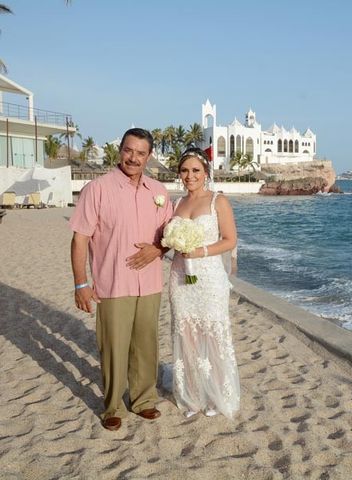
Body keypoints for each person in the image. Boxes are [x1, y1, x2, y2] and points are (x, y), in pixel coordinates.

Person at [70, 128, 173, 431]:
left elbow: (170, 235)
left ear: (149, 157)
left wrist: (158, 249)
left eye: (141, 153)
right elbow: (79, 240)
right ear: (120, 151)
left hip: (150, 283)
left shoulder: (159, 191)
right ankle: (113, 405)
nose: (134, 158)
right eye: (129, 151)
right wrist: (81, 284)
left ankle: (143, 400)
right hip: (113, 283)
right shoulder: (98, 189)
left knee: (146, 345)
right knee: (113, 347)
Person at [168, 147, 240, 418]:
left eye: (196, 170)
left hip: (209, 277)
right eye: (185, 171)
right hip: (180, 276)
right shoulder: (176, 204)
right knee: (185, 333)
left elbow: (230, 240)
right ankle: (191, 395)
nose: (190, 175)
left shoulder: (217, 201)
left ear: (206, 173)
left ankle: (216, 395)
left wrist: (199, 251)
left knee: (212, 333)